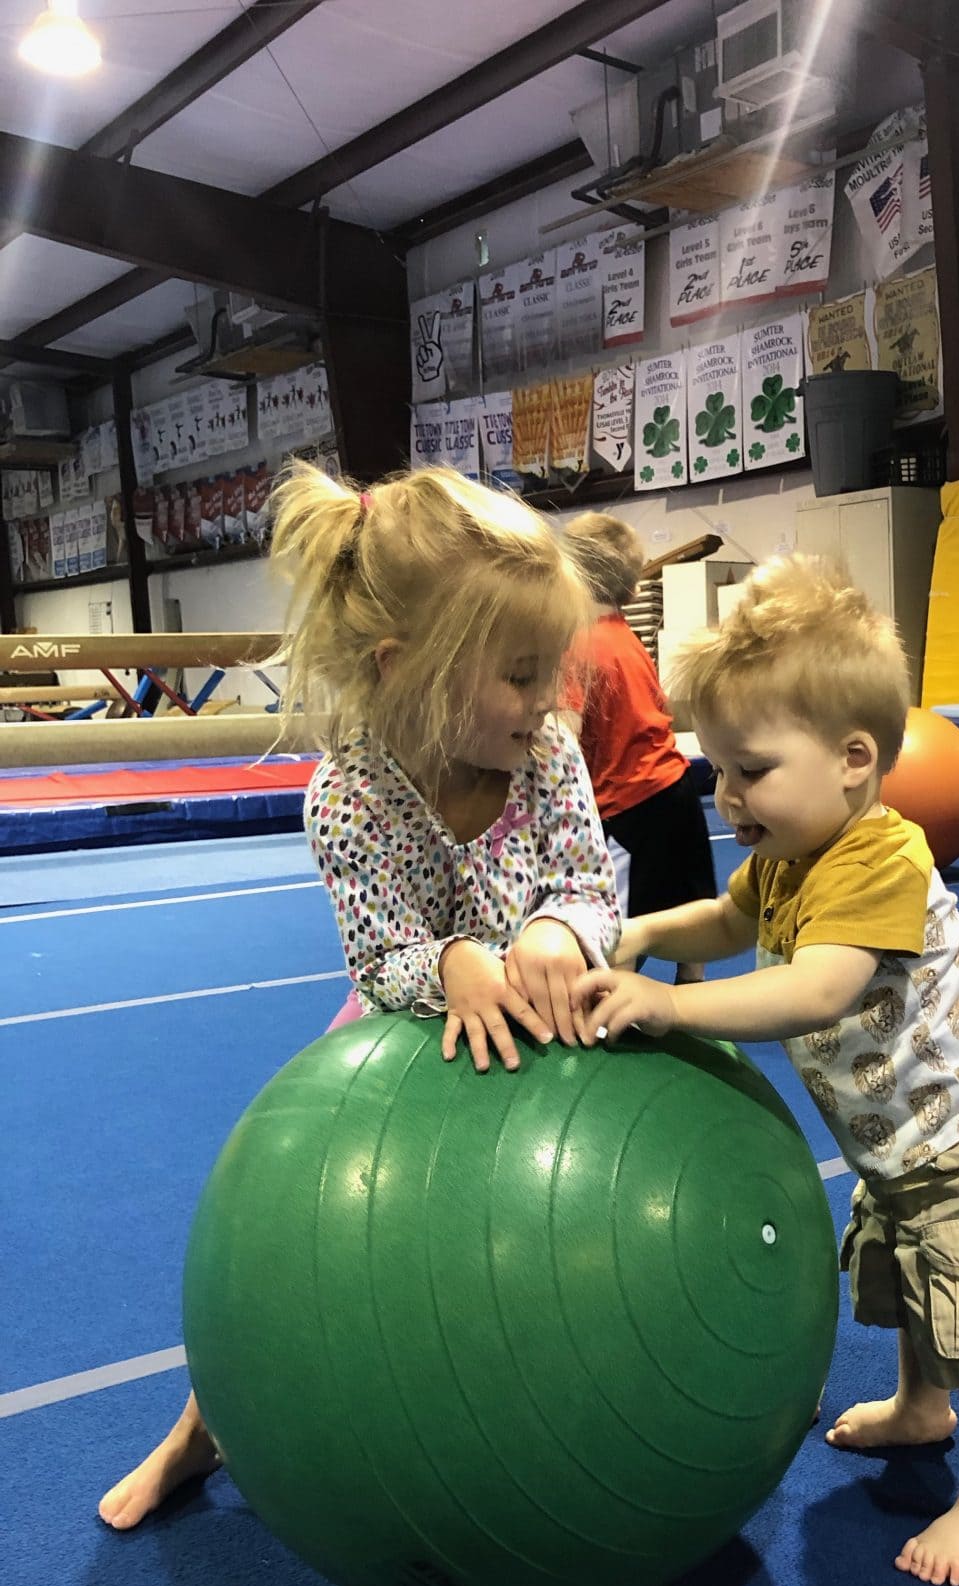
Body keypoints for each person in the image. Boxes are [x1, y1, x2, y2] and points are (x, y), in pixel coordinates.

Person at [98, 463, 618, 1531]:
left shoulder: (548, 756)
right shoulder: (347, 795)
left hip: (550, 1021)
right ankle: (200, 1432)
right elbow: (381, 953)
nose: (553, 700)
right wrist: (452, 966)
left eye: (554, 670)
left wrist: (563, 927)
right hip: (399, 1034)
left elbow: (586, 877)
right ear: (406, 670)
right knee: (301, 1242)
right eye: (522, 676)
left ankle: (659, 1351)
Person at [572, 556, 959, 1586]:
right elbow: (726, 916)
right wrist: (640, 931)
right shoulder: (792, 856)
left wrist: (671, 1002)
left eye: (749, 770)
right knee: (909, 1282)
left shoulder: (883, 856)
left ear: (853, 758)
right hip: (904, 1147)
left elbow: (815, 990)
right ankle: (919, 1408)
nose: (725, 797)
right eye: (716, 770)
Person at [557, 512, 716, 985]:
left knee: (618, 929)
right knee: (694, 910)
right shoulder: (626, 638)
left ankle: (608, 1012)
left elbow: (564, 736)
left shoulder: (576, 647)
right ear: (628, 592)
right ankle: (693, 992)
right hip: (676, 788)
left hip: (629, 805)